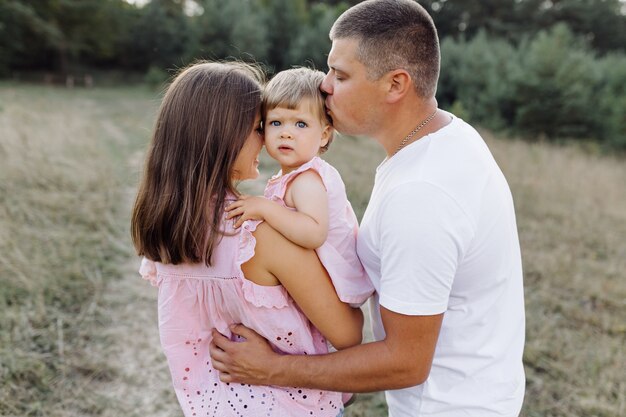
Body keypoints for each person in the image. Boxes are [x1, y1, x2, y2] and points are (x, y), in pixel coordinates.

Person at [209, 1, 526, 416]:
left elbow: (405, 362)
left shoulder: (422, 195)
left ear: (395, 85)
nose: (324, 86)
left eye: (340, 75)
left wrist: (272, 369)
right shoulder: (444, 138)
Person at [131, 61, 363, 417]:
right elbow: (348, 334)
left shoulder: (164, 235)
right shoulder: (259, 235)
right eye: (260, 126)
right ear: (224, 136)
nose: (269, 138)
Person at [225, 67, 374, 308]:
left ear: (324, 135)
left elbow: (314, 233)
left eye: (301, 125)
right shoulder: (294, 176)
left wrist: (264, 208)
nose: (286, 133)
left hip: (335, 285)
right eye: (276, 122)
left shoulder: (308, 180)